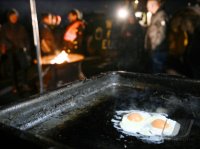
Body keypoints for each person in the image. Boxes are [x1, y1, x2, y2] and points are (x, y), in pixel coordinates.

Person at [0, 9, 31, 93]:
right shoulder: (5, 27)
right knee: (13, 69)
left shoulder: (21, 27)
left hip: (20, 50)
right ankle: (15, 86)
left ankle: (24, 84)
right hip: (11, 51)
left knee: (24, 67)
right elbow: (2, 39)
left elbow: (26, 38)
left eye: (15, 16)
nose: (14, 18)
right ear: (9, 17)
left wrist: (26, 47)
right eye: (12, 16)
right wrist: (10, 45)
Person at [145, 0, 168, 73]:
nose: (148, 9)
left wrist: (154, 46)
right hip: (155, 50)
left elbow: (162, 34)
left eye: (148, 7)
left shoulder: (161, 15)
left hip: (159, 50)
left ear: (153, 5)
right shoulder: (155, 15)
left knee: (158, 73)